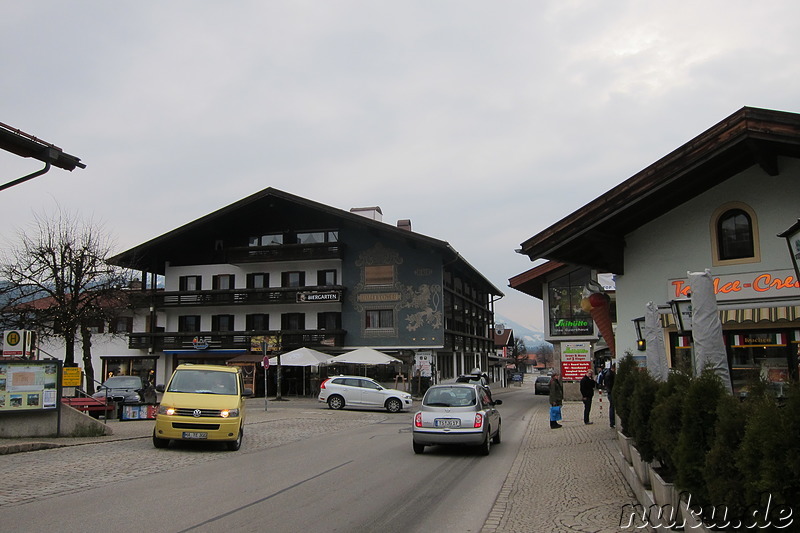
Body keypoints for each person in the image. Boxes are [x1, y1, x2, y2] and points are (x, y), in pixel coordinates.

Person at [605, 363, 616, 428]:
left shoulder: (609, 373)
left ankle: (612, 422)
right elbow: (610, 385)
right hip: (611, 392)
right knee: (612, 407)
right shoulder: (609, 375)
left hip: (610, 392)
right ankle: (612, 422)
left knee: (612, 406)